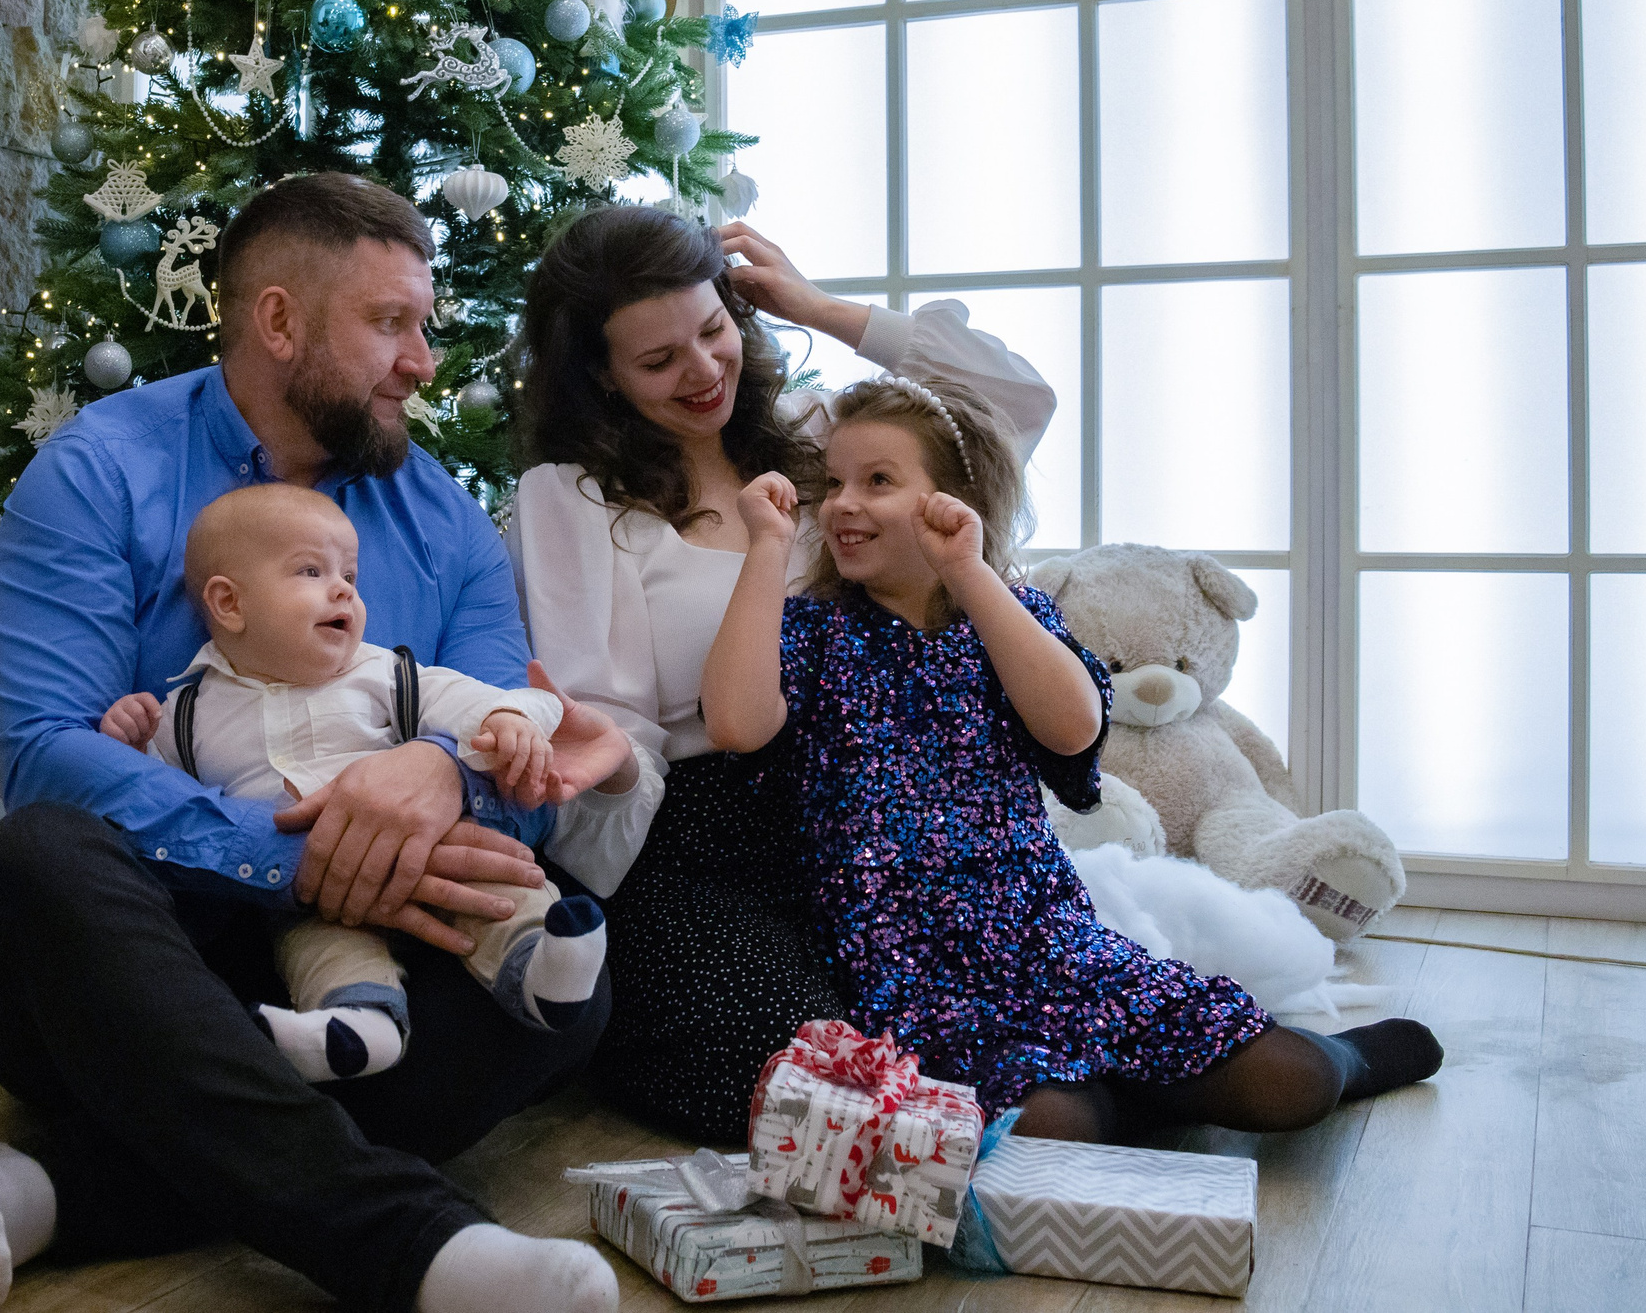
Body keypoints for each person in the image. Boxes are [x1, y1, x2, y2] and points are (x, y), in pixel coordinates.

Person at [0, 174, 639, 1313]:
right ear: (278, 321)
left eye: (423, 325)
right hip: (146, 958)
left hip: (370, 957)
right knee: (34, 861)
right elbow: (45, 754)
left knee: (568, 981)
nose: (422, 362)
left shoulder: (444, 519)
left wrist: (442, 771)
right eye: (390, 323)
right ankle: (413, 1249)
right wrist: (295, 853)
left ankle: (62, 1188)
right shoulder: (98, 473)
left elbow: (519, 755)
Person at [697, 373, 1444, 1139]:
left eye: (877, 480)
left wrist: (968, 571)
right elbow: (734, 722)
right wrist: (768, 547)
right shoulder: (815, 631)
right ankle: (1132, 1097)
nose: (843, 503)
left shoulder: (1009, 614)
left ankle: (1333, 1059)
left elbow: (1073, 726)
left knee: (1295, 1083)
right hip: (911, 976)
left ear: (952, 500)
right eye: (833, 482)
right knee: (1052, 1127)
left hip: (1048, 942)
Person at [510, 204, 1058, 1142]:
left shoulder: (819, 434)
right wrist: (607, 762)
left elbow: (1014, 404)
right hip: (700, 842)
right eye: (659, 360)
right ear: (601, 375)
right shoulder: (571, 496)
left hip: (876, 821)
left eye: (713, 329)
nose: (703, 371)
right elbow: (612, 722)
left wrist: (819, 307)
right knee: (836, 1096)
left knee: (1026, 1049)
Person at [98, 483, 629, 1081]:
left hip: (433, 850)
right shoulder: (186, 713)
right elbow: (151, 798)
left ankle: (540, 967)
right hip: (308, 892)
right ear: (229, 604)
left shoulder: (385, 674)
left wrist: (507, 719)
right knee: (314, 948)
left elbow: (483, 699)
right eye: (311, 571)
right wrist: (130, 743)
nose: (344, 589)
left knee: (500, 888)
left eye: (349, 574)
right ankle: (359, 1025)